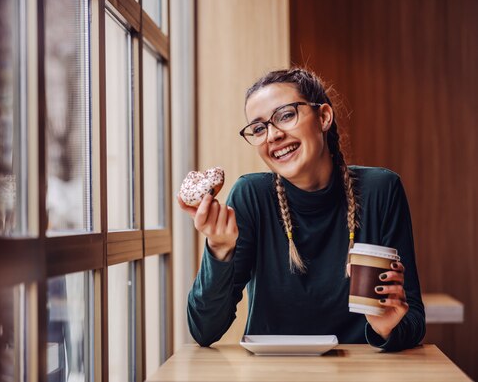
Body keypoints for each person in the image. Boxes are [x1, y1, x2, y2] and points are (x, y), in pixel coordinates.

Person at [178, 68, 425, 351]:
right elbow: (204, 330)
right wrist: (219, 250)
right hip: (272, 373)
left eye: (285, 115)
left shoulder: (381, 190)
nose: (272, 135)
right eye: (259, 128)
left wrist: (389, 327)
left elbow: (414, 319)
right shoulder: (251, 196)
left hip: (361, 372)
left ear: (323, 117)